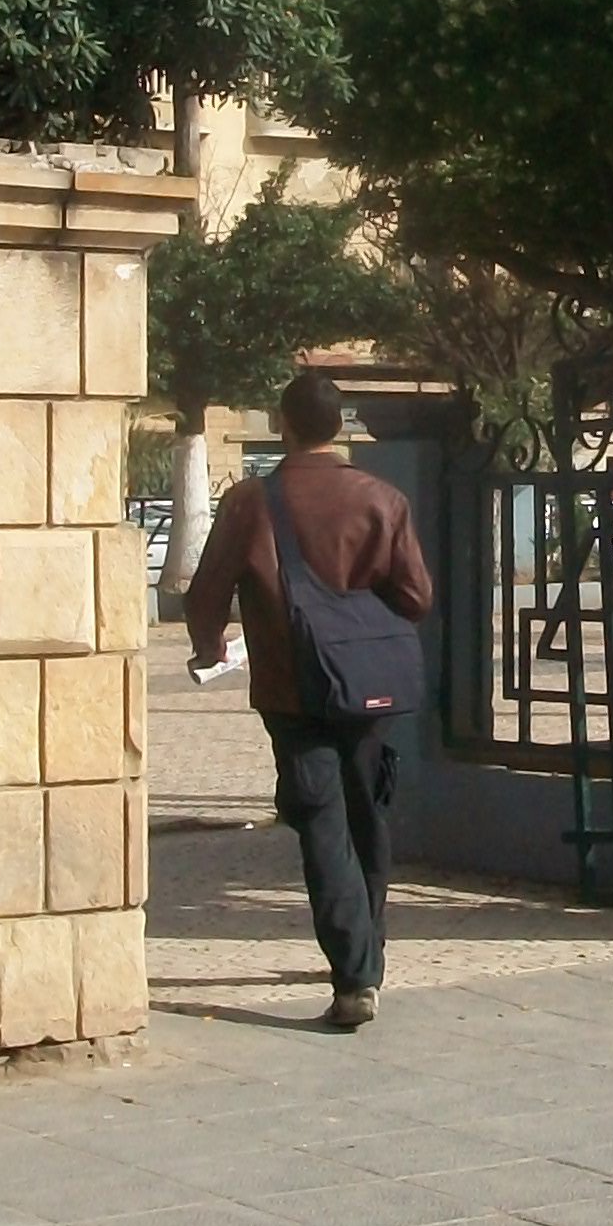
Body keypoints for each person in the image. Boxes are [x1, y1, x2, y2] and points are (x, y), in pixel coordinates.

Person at [184, 370, 431, 1030]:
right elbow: (416, 598)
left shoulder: (250, 502)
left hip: (293, 688)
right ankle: (368, 950)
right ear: (339, 424)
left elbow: (205, 592)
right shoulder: (381, 498)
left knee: (321, 821)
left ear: (283, 424)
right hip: (373, 687)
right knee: (368, 816)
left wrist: (210, 648)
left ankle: (354, 978)